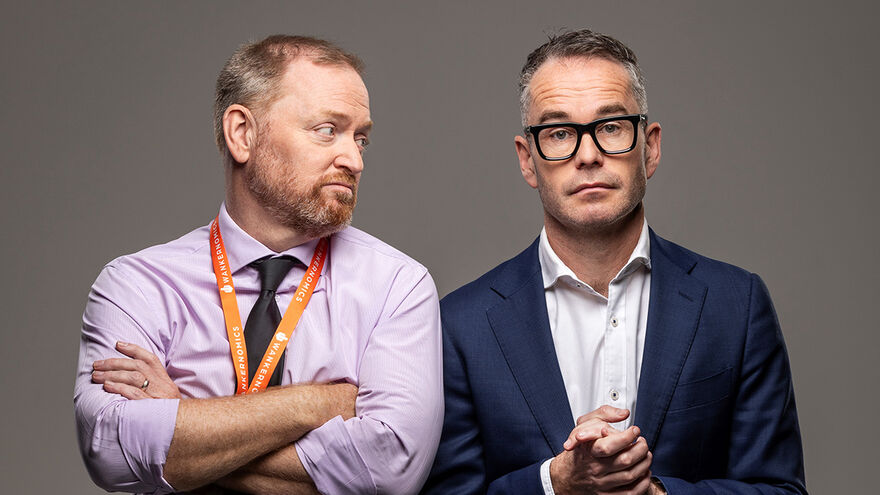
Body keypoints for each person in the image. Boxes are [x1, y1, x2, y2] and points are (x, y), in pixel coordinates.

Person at [424, 30, 806, 495]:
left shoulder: (737, 306)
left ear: (650, 147)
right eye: (559, 133)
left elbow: (780, 489)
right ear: (527, 160)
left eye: (610, 128)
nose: (588, 155)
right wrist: (555, 485)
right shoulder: (460, 326)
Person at [74, 35, 442, 495]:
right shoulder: (137, 285)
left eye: (360, 138)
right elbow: (110, 451)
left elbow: (390, 472)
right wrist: (319, 403)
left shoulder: (397, 286)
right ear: (242, 134)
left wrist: (186, 425)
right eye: (328, 130)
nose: (353, 160)